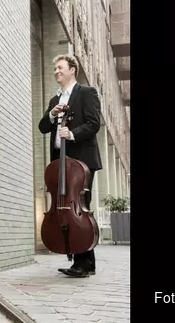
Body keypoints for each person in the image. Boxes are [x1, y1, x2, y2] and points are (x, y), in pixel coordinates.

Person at [38, 54, 102, 278]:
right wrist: (52, 114)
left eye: (60, 67)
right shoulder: (54, 101)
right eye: (54, 68)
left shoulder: (86, 93)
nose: (56, 71)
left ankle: (83, 262)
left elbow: (94, 123)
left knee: (81, 207)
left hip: (81, 161)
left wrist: (72, 133)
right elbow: (43, 127)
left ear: (72, 69)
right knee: (69, 208)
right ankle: (84, 262)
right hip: (60, 162)